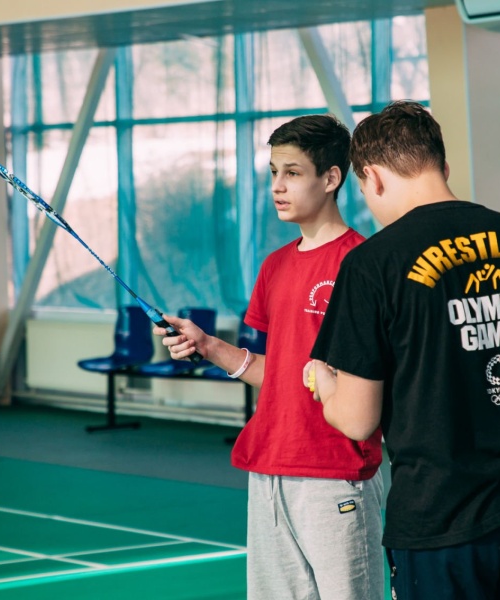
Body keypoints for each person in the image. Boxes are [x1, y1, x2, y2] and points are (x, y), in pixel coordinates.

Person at [306, 100, 500, 600]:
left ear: (372, 179)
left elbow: (358, 420)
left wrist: (324, 381)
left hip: (440, 518)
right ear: (443, 168)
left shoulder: (372, 265)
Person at [155, 114, 384, 600]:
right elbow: (279, 371)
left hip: (336, 473)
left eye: (292, 173)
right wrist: (208, 345)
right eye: (274, 172)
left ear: (331, 178)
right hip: (269, 469)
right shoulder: (275, 266)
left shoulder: (362, 263)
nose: (277, 187)